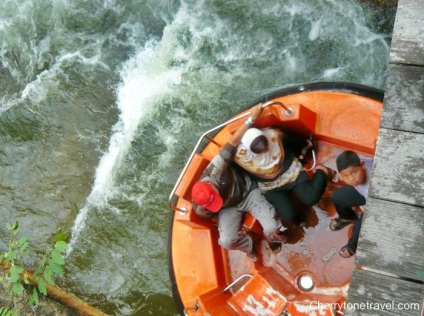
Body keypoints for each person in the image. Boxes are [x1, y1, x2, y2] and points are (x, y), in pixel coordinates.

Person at [191, 104, 286, 262]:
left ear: (211, 185)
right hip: (229, 208)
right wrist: (227, 226)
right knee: (226, 241)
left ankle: (273, 237)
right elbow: (212, 217)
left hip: (248, 192)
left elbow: (233, 142)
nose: (215, 202)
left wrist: (252, 118)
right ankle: (249, 245)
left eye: (214, 198)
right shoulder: (201, 207)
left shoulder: (215, 169)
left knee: (271, 227)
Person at [234, 126, 337, 225]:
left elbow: (297, 143)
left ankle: (322, 171)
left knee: (311, 198)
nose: (265, 150)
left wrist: (305, 148)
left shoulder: (275, 136)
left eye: (266, 145)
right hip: (270, 185)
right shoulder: (241, 158)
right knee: (289, 216)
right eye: (261, 150)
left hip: (290, 172)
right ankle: (299, 221)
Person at [330, 150, 373, 258]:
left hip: (374, 199)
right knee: (337, 196)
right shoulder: (357, 161)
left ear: (362, 165)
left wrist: (366, 208)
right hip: (362, 192)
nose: (351, 179)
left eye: (354, 172)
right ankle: (347, 217)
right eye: (345, 175)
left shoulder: (372, 185)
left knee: (364, 222)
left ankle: (353, 245)